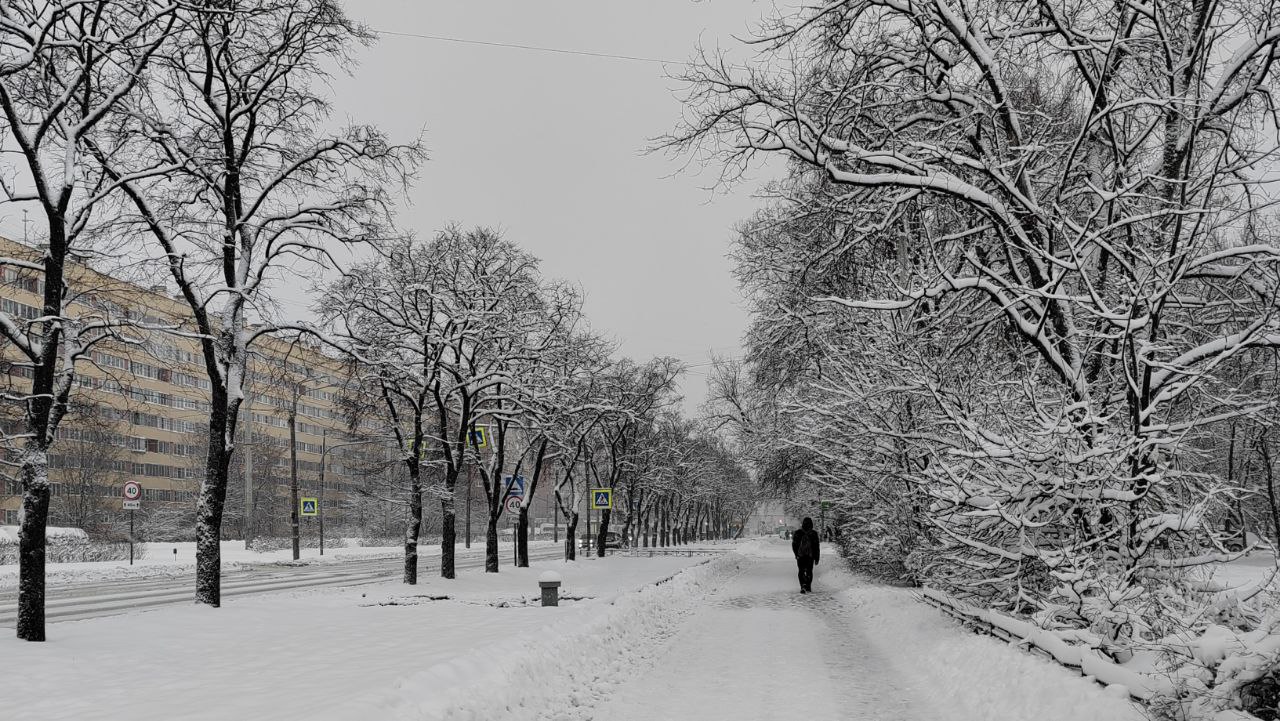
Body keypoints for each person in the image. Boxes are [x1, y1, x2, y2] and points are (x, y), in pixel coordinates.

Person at [791, 517, 820, 593]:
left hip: (800, 556)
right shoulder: (813, 533)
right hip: (810, 556)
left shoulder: (798, 533)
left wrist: (796, 554)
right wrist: (817, 558)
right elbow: (816, 546)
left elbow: (794, 545)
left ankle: (803, 585)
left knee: (801, 571)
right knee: (809, 571)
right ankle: (808, 586)